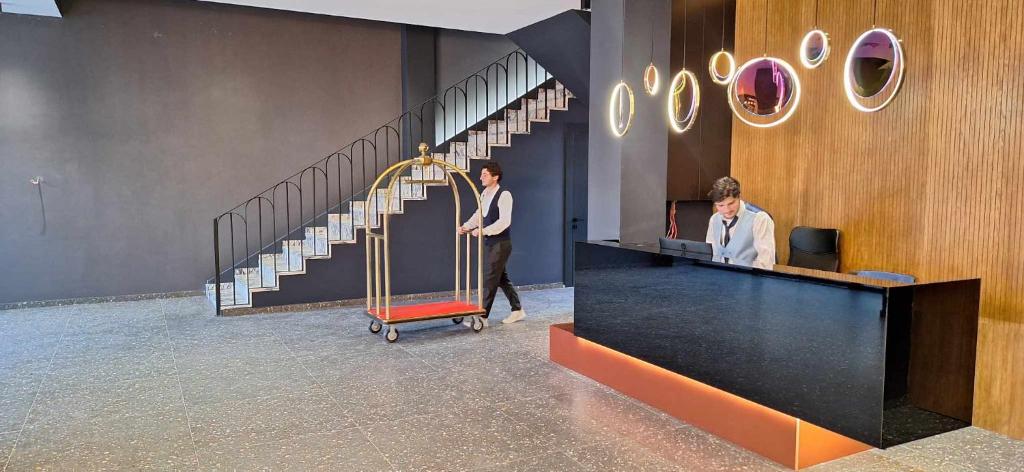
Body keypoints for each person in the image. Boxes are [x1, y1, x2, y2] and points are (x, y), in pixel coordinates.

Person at [458, 162, 526, 325]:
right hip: (491, 243)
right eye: (481, 174)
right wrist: (466, 226)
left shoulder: (504, 195)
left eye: (485, 174)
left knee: (490, 279)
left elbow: (504, 222)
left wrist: (483, 231)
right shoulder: (484, 194)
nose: (481, 177)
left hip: (501, 244)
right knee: (501, 278)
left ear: (495, 177)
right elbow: (479, 215)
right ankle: (517, 310)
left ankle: (482, 317)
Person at [705, 176, 776, 269]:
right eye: (721, 205)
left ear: (739, 197)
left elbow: (766, 263)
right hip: (718, 275)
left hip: (749, 276)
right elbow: (711, 255)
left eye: (731, 203)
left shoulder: (760, 219)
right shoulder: (714, 219)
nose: (727, 210)